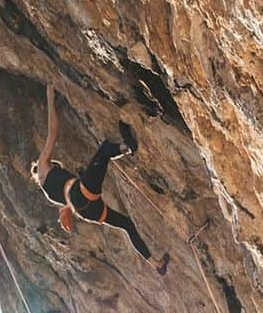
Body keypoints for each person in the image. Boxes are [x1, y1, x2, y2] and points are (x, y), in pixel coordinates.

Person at [32, 84, 169, 275]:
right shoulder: (42, 169)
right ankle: (128, 147)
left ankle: (156, 264)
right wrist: (49, 98)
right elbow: (52, 134)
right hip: (81, 196)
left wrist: (67, 209)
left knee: (127, 225)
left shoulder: (51, 194)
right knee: (105, 150)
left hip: (91, 212)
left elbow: (69, 204)